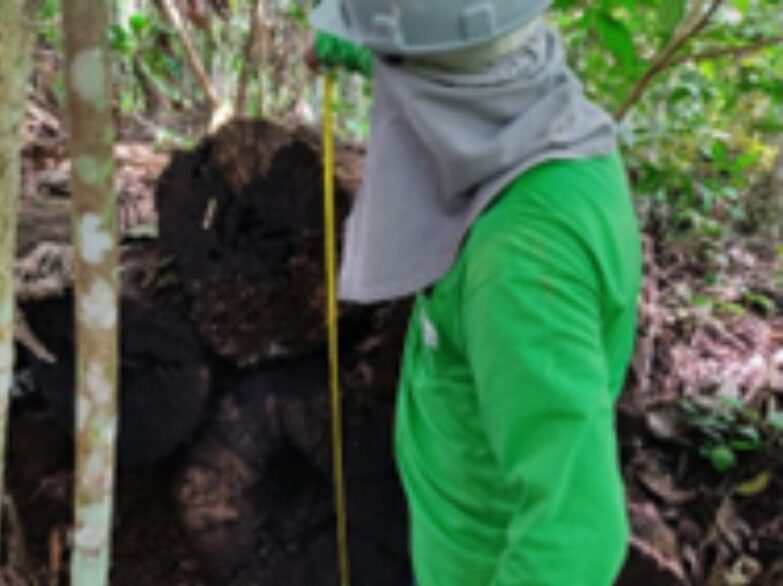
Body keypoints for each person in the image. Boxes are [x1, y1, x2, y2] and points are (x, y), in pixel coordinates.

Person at [309, 2, 642, 585]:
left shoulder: (520, 265)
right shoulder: (544, 118)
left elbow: (579, 536)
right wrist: (347, 44)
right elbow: (447, 47)